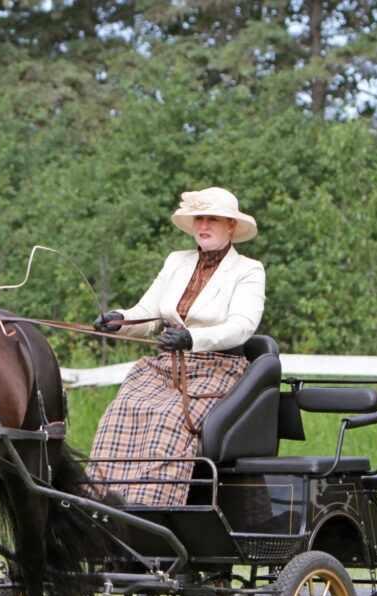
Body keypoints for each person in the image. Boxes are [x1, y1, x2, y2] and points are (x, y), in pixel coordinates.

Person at [89, 186, 265, 506]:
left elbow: (242, 326)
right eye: (199, 218)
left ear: (231, 226)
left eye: (213, 219)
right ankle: (103, 504)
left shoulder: (249, 270)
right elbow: (147, 314)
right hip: (167, 367)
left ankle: (150, 509)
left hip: (218, 368)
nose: (204, 226)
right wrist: (120, 319)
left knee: (167, 419)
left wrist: (192, 339)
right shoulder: (176, 262)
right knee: (121, 412)